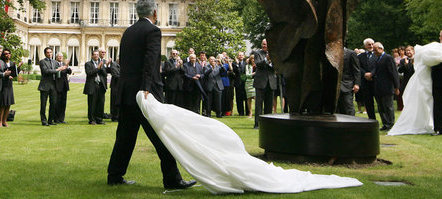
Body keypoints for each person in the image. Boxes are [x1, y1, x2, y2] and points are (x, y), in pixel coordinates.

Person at [136, 92, 362, 193]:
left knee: (238, 162)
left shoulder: (165, 121)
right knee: (238, 162)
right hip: (219, 142)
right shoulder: (168, 116)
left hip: (219, 142)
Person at [107, 0, 195, 189]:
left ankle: (114, 175)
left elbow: (126, 63)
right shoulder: (153, 31)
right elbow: (150, 62)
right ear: (154, 13)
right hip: (145, 93)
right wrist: (147, 88)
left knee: (124, 137)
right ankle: (172, 179)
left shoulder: (128, 32)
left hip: (127, 93)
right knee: (162, 135)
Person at [388, 42, 442, 136]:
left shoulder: (423, 60)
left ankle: (434, 122)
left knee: (430, 102)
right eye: (407, 50)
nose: (408, 52)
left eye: (410, 50)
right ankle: (427, 122)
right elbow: (404, 70)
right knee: (424, 101)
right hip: (422, 81)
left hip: (427, 81)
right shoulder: (419, 61)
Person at [373, 42, 400, 131]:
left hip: (387, 87)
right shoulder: (377, 59)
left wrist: (396, 87)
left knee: (388, 107)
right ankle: (385, 123)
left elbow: (393, 73)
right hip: (378, 87)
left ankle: (390, 124)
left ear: (381, 49)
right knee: (381, 107)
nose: (374, 52)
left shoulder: (388, 58)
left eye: (375, 50)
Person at [39, 47, 67, 126]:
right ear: (45, 53)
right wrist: (57, 70)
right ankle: (44, 121)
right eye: (48, 52)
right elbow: (46, 71)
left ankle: (50, 120)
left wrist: (64, 69)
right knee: (43, 105)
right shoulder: (42, 62)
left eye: (51, 52)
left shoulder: (55, 62)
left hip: (54, 85)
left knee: (53, 103)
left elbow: (59, 72)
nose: (49, 54)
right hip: (45, 85)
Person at [253, 39, 277, 129]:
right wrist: (266, 60)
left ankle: (268, 124)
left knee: (269, 105)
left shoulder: (274, 54)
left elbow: (276, 66)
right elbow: (258, 64)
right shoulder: (257, 53)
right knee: (259, 105)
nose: (264, 46)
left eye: (265, 44)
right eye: (263, 44)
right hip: (260, 82)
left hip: (271, 82)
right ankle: (257, 124)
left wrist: (270, 62)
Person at [84, 50, 108, 125]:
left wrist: (101, 68)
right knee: (92, 104)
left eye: (97, 54)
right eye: (94, 54)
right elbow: (89, 73)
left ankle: (99, 119)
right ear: (92, 55)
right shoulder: (88, 64)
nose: (96, 56)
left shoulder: (101, 63)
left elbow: (105, 74)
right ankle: (92, 120)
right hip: (92, 85)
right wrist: (97, 68)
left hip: (100, 85)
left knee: (100, 103)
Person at [0, 49, 21, 127]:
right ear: (3, 55)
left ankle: (5, 121)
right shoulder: (1, 63)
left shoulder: (12, 63)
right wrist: (7, 76)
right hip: (3, 85)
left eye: (8, 53)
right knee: (3, 104)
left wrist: (18, 67)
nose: (7, 55)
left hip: (9, 86)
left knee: (8, 104)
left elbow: (15, 74)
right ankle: (0, 121)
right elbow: (1, 73)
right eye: (5, 54)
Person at [336, 47, 361, 116]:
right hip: (334, 85)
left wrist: (357, 84)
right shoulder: (332, 53)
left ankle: (351, 123)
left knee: (348, 105)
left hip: (347, 84)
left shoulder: (351, 53)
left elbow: (356, 70)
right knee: (336, 107)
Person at [358, 38, 377, 119]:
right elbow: (358, 67)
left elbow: (379, 66)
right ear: (365, 46)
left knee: (380, 102)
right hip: (365, 82)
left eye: (372, 44)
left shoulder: (377, 55)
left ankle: (386, 121)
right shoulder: (360, 56)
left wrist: (371, 74)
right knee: (368, 102)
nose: (371, 46)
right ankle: (371, 119)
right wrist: (365, 74)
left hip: (376, 81)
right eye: (369, 44)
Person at [54, 52, 72, 124]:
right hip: (57, 85)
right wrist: (62, 69)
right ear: (56, 57)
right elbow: (57, 72)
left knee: (63, 103)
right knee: (57, 103)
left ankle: (62, 118)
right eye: (59, 56)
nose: (60, 57)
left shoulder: (64, 64)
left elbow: (69, 72)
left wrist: (67, 66)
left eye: (61, 56)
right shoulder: (54, 64)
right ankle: (56, 118)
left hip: (64, 86)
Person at [397, 45, 415, 110]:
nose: (408, 52)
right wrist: (405, 64)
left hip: (415, 80)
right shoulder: (403, 61)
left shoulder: (416, 59)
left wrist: (408, 64)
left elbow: (413, 70)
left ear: (413, 51)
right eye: (406, 51)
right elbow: (400, 70)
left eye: (409, 50)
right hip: (406, 80)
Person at [232, 51, 248, 116]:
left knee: (246, 98)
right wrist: (238, 64)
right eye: (239, 55)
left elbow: (244, 71)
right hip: (238, 83)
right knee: (239, 99)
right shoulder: (234, 64)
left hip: (245, 83)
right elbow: (238, 72)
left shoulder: (246, 63)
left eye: (242, 55)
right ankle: (241, 112)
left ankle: (247, 112)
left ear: (243, 56)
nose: (240, 56)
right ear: (237, 56)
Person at [244, 54, 256, 118]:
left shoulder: (257, 65)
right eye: (252, 59)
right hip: (248, 83)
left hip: (255, 83)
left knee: (256, 97)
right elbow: (247, 75)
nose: (253, 60)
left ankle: (257, 112)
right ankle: (250, 113)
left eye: (254, 58)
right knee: (249, 99)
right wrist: (253, 73)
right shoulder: (247, 66)